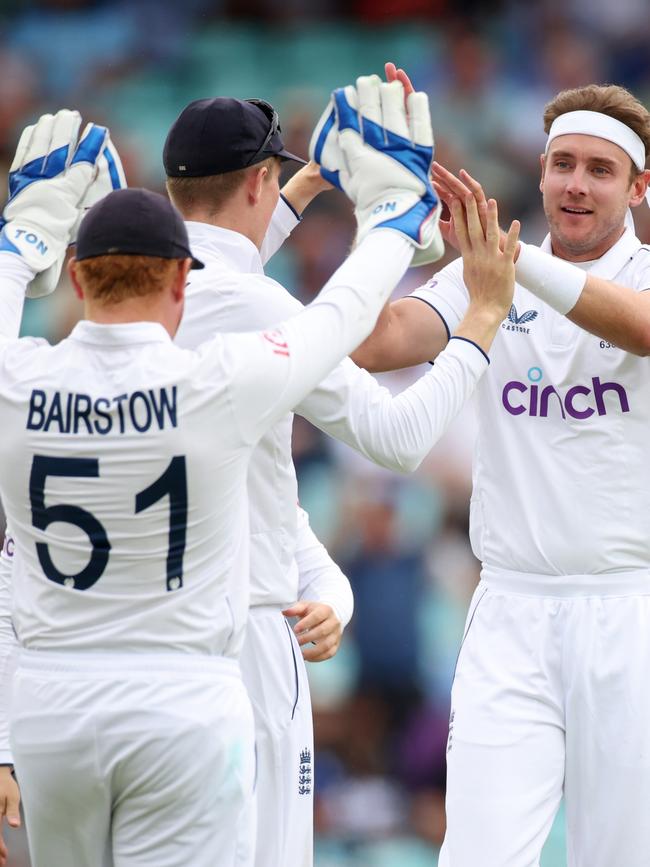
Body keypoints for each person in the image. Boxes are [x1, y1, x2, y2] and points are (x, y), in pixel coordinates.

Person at [0, 80, 475, 867]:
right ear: (178, 282)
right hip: (193, 682)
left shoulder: (22, 383)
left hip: (54, 699)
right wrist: (413, 237)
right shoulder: (216, 384)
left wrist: (17, 242)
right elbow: (337, 328)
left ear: (79, 281)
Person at [162, 82, 517, 867]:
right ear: (257, 182)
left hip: (158, 643)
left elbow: (220, 264)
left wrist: (306, 183)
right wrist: (481, 318)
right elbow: (398, 433)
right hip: (246, 643)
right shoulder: (256, 307)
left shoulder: (142, 296)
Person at [350, 68, 650, 867]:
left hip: (630, 609)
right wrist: (386, 226)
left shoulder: (544, 269)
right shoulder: (486, 272)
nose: (575, 185)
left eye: (600, 169)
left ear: (640, 185)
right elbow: (375, 341)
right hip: (512, 607)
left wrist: (513, 264)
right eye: (562, 165)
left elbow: (641, 326)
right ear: (541, 169)